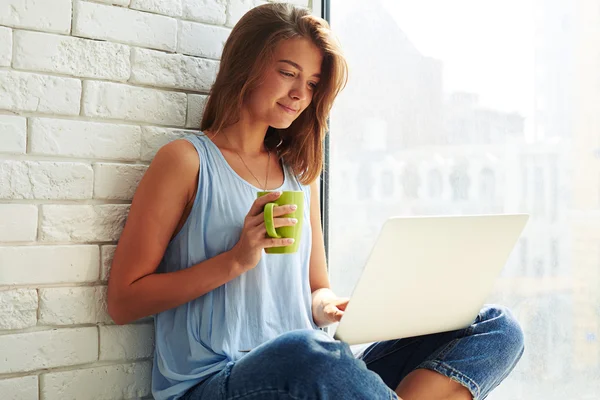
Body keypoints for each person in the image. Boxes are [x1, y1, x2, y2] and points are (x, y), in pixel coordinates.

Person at [107, 3, 525, 400]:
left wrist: (331, 307)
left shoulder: (296, 174)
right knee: (305, 351)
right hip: (218, 380)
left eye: (310, 84)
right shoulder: (185, 161)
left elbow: (315, 288)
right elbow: (124, 300)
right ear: (244, 67)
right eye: (288, 73)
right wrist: (235, 260)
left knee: (496, 326)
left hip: (311, 370)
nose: (299, 94)